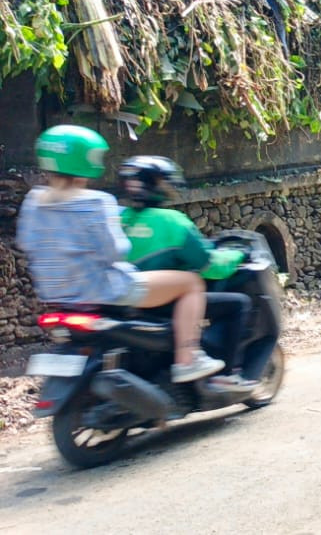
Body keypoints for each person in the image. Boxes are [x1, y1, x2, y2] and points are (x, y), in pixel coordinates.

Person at [16, 125, 223, 383]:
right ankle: (187, 358)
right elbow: (116, 250)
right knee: (191, 283)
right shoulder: (97, 201)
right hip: (108, 291)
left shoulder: (34, 201)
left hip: (58, 297)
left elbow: (26, 242)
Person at [116, 156, 258, 391]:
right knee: (238, 304)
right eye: (163, 182)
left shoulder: (120, 219)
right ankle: (224, 375)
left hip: (122, 300)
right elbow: (210, 266)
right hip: (162, 302)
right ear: (155, 186)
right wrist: (238, 255)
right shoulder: (173, 222)